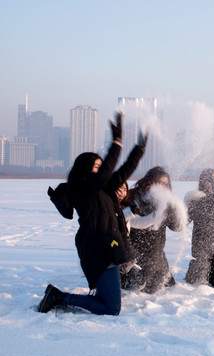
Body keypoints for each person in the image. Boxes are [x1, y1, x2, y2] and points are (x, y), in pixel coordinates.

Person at [38, 112, 147, 315]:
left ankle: (61, 297)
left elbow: (124, 170)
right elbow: (106, 171)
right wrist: (116, 142)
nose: (101, 171)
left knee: (108, 302)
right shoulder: (81, 188)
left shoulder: (104, 188)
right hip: (97, 250)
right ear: (85, 169)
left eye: (100, 167)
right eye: (96, 167)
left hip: (110, 248)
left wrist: (140, 148)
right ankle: (59, 297)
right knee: (112, 308)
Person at [121, 167, 182, 294]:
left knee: (168, 287)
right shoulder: (134, 196)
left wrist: (173, 209)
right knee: (144, 290)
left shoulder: (165, 202)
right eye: (158, 182)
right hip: (136, 255)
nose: (161, 187)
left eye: (165, 184)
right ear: (149, 181)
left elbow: (177, 227)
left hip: (158, 256)